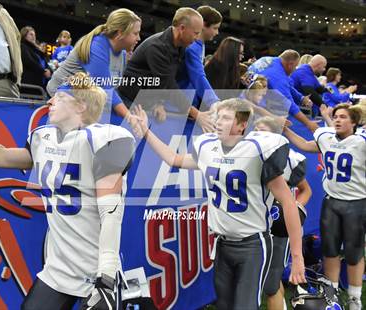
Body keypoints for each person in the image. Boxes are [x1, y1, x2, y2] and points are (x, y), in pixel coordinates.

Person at [0, 48, 135, 310]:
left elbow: (110, 212)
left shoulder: (105, 139)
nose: (50, 102)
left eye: (59, 96)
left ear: (80, 105)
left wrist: (107, 272)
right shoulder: (43, 138)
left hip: (97, 270)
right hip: (58, 270)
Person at [132, 99, 306, 309]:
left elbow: (288, 202)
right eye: (218, 117)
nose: (218, 122)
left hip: (253, 244)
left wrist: (297, 257)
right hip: (222, 245)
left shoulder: (258, 150)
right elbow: (174, 159)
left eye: (225, 117)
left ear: (242, 125)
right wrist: (147, 132)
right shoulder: (208, 147)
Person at [283, 104, 366, 310]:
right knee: (329, 251)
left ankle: (355, 299)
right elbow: (303, 144)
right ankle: (332, 296)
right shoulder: (326, 137)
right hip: (331, 202)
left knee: (354, 252)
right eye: (336, 116)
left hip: (356, 203)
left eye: (343, 117)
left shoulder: (362, 142)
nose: (337, 120)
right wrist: (285, 129)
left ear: (354, 122)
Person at [117, 7, 215, 132]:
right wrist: (197, 114)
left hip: (144, 101)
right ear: (182, 28)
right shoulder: (157, 47)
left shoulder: (181, 46)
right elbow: (168, 85)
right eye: (196, 33)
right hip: (129, 101)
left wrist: (158, 102)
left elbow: (163, 80)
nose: (197, 38)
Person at [47, 8, 142, 126]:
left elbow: (112, 88)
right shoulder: (97, 46)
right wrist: (129, 116)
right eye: (135, 33)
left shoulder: (122, 53)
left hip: (82, 99)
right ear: (119, 33)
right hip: (61, 95)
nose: (139, 38)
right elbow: (106, 88)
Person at [254, 117, 312, 310]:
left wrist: (292, 209)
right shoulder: (246, 152)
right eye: (256, 130)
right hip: (253, 225)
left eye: (263, 131)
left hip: (276, 227)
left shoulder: (289, 158)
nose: (258, 135)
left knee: (271, 283)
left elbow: (306, 190)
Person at [248, 50, 319, 132]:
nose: (294, 70)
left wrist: (301, 98)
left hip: (247, 100)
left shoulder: (268, 60)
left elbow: (288, 86)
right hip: (252, 111)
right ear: (290, 64)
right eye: (295, 66)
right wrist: (308, 123)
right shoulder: (278, 76)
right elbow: (289, 104)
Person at [176, 5, 222, 110]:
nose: (217, 32)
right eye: (215, 28)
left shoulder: (200, 45)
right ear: (204, 25)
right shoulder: (192, 48)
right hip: (179, 103)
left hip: (189, 101)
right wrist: (213, 101)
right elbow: (198, 76)